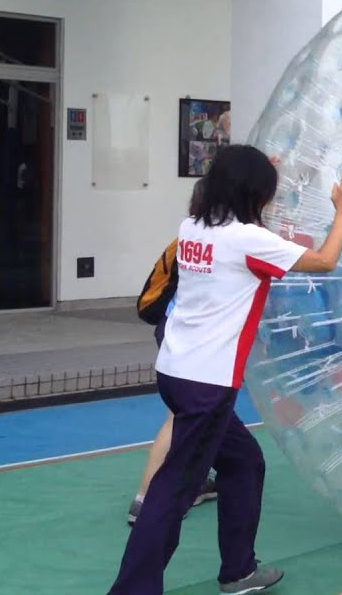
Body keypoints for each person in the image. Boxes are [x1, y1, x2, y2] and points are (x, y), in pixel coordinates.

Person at [107, 145, 342, 595]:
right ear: (254, 194)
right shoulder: (247, 241)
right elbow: (325, 261)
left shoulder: (194, 227)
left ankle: (239, 571)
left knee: (244, 462)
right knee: (171, 492)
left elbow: (241, 231)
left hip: (175, 370)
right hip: (208, 382)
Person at [128, 179, 217, 526]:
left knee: (208, 420)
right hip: (191, 340)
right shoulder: (223, 241)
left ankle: (193, 483)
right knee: (180, 418)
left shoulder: (190, 233)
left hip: (174, 329)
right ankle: (145, 499)